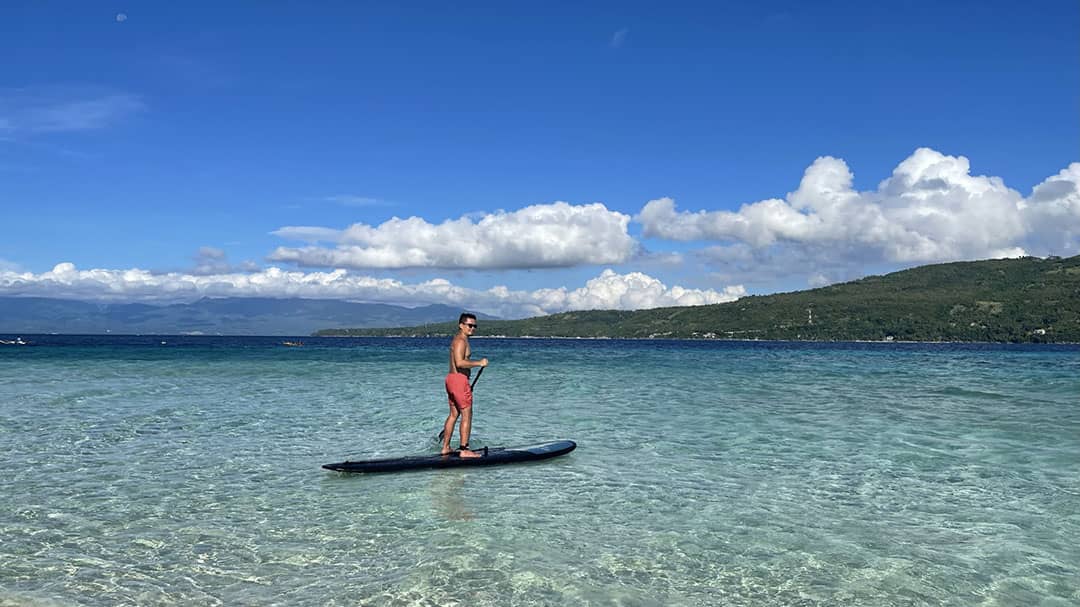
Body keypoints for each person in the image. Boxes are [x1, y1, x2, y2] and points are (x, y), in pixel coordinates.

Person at [441, 313, 488, 458]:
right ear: (461, 325)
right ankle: (464, 449)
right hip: (459, 381)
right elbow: (460, 362)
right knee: (467, 415)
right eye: (469, 325)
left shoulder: (458, 340)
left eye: (475, 326)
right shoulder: (461, 341)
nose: (472, 328)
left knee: (454, 414)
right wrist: (479, 363)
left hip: (451, 379)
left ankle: (446, 447)